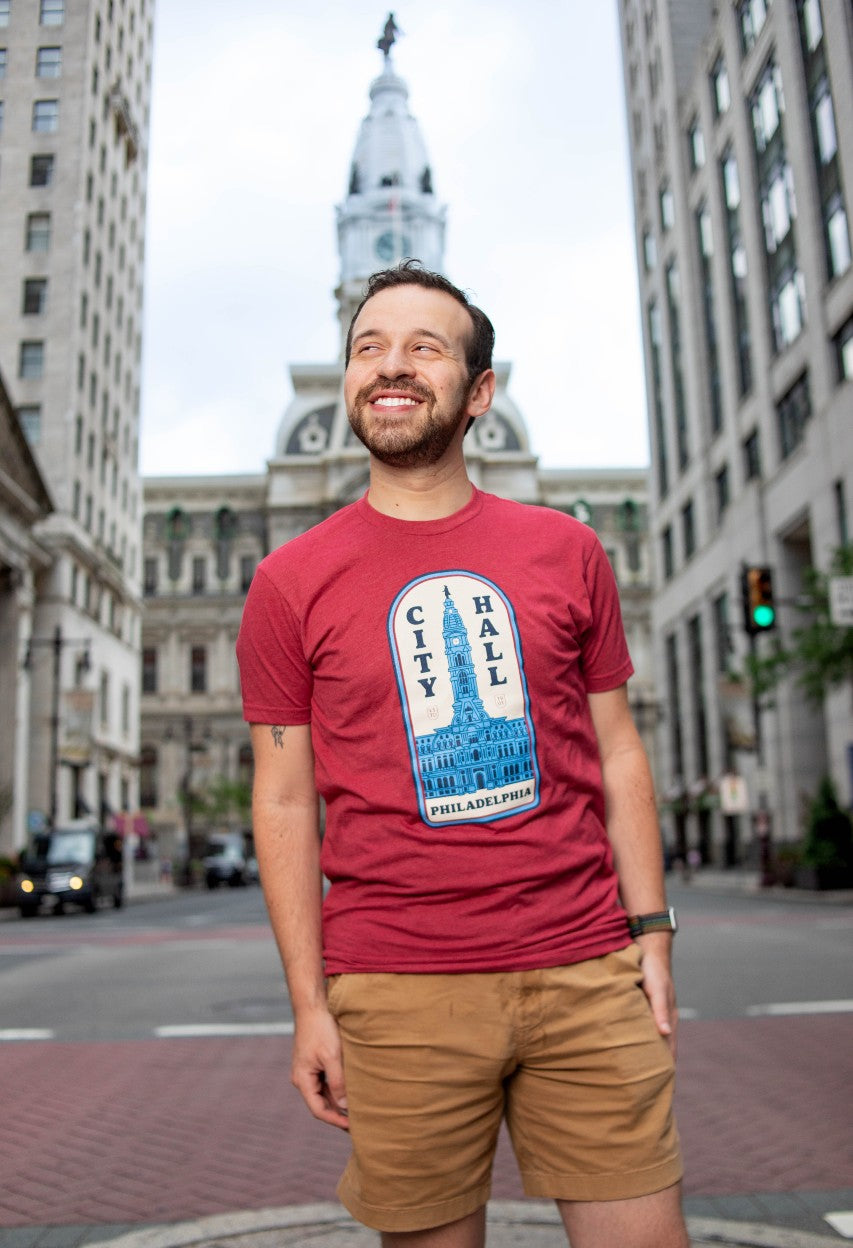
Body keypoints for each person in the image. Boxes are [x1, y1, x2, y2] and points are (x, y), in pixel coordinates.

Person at [236, 261, 688, 1248]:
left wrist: (650, 929)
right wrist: (308, 1004)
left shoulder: (567, 549)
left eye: (424, 346)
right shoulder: (286, 582)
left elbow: (617, 750)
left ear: (478, 391)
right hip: (395, 990)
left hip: (585, 969)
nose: (389, 366)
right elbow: (282, 799)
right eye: (368, 346)